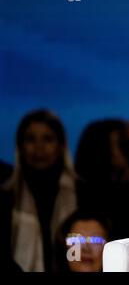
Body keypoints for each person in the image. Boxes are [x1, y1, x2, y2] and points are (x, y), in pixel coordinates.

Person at [0, 109, 91, 272]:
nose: (39, 148)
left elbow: (79, 246)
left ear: (61, 145)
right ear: (20, 146)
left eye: (48, 139)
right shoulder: (6, 196)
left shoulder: (83, 194)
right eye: (30, 139)